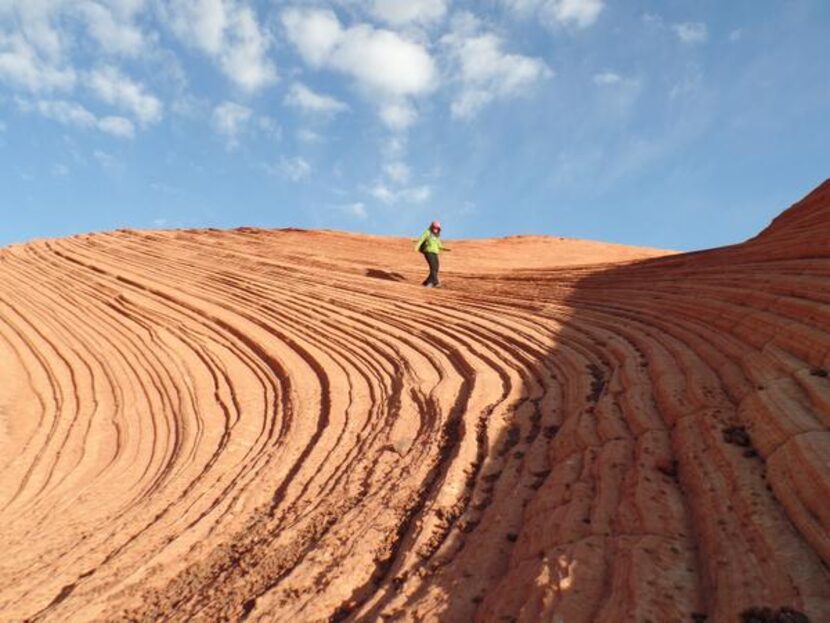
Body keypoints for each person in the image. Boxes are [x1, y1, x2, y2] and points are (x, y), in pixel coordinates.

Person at [415, 220, 448, 287]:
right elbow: (421, 239)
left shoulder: (436, 236)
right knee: (433, 267)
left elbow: (438, 244)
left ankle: (427, 282)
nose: (435, 229)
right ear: (432, 227)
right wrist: (416, 247)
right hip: (428, 252)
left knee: (436, 268)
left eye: (437, 228)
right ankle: (436, 282)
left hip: (435, 252)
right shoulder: (427, 232)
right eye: (434, 227)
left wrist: (443, 248)